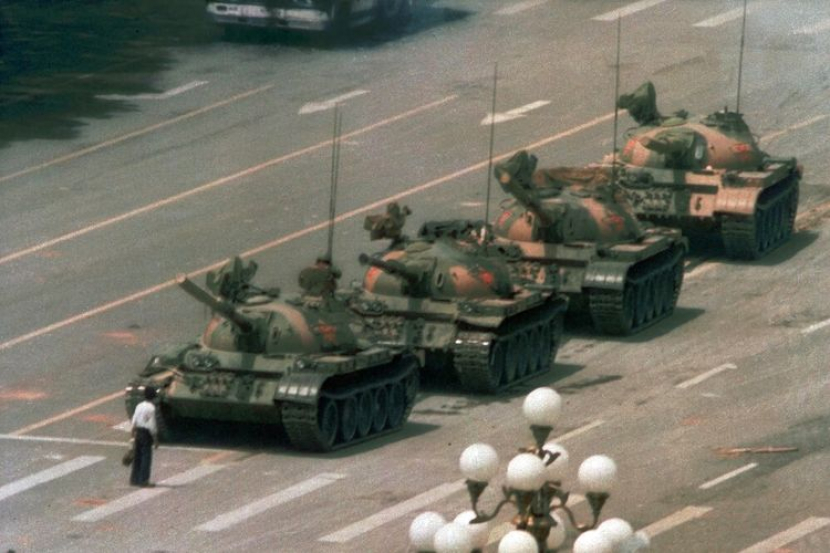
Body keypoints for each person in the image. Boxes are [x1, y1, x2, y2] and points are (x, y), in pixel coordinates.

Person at [129, 387, 159, 487]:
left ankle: (134, 479)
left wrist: (132, 436)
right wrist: (155, 440)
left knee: (137, 456)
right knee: (146, 457)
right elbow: (152, 425)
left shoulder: (139, 405)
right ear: (153, 397)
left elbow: (134, 421)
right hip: (146, 434)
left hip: (138, 432)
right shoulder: (151, 408)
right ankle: (144, 480)